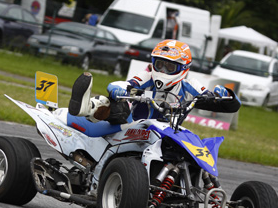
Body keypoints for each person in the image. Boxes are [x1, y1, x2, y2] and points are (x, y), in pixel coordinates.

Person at [56, 39, 241, 137]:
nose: (162, 70)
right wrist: (119, 88)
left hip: (169, 133)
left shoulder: (190, 85)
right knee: (112, 103)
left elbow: (219, 102)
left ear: (184, 69)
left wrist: (226, 97)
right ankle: (84, 108)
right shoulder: (147, 76)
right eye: (159, 64)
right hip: (132, 127)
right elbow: (125, 85)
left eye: (170, 67)